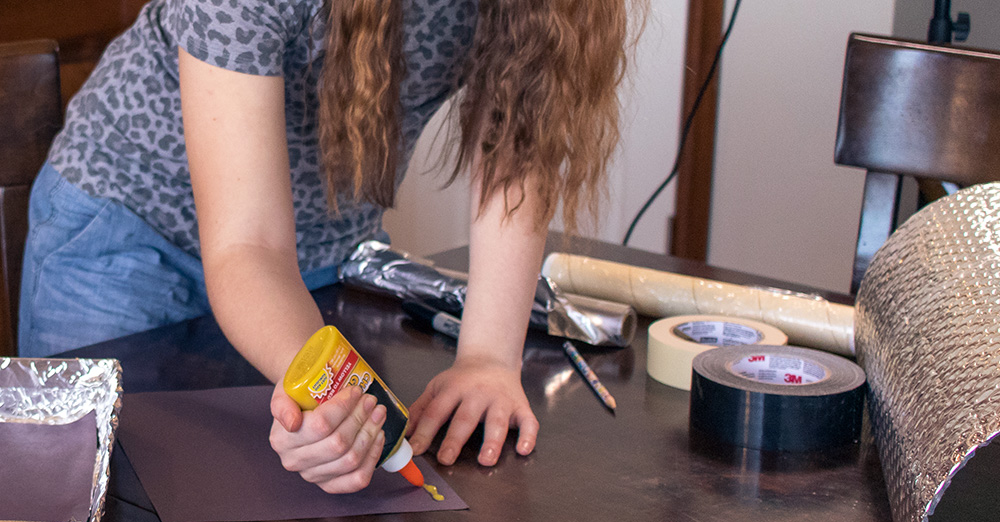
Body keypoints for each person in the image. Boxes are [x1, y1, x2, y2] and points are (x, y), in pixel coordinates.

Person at [19, 0, 631, 493]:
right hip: (125, 232)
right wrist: (318, 380)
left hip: (321, 254)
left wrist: (489, 359)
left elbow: (519, 151)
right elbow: (248, 243)